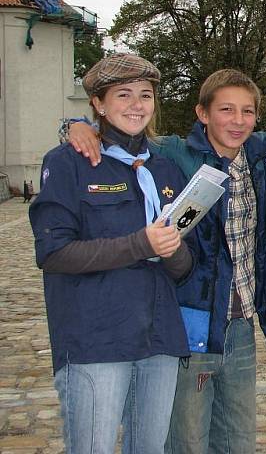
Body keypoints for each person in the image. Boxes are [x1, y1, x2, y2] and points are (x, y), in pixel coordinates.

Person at [66, 69, 266, 454]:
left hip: (242, 322)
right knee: (189, 439)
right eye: (226, 109)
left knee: (237, 438)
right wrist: (78, 125)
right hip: (191, 320)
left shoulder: (263, 153)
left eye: (247, 111)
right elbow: (125, 134)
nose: (238, 120)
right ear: (203, 113)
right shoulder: (177, 154)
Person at [29, 54, 195, 454]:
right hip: (96, 341)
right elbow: (53, 252)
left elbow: (185, 268)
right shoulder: (69, 163)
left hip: (159, 338)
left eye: (145, 95)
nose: (137, 104)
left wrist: (172, 252)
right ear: (98, 105)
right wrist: (141, 244)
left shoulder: (165, 169)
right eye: (124, 95)